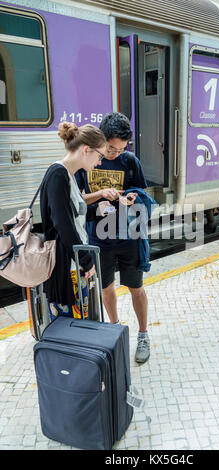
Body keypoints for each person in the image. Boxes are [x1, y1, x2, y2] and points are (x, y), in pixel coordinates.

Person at [75, 112, 150, 364]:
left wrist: (130, 199)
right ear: (100, 140)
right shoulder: (87, 162)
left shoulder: (130, 161)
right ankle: (115, 330)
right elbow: (76, 199)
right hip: (99, 237)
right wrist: (100, 196)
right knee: (106, 287)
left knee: (136, 287)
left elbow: (141, 193)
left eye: (120, 149)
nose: (114, 154)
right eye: (110, 148)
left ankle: (143, 334)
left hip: (129, 235)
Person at [40, 121, 110, 320]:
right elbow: (63, 226)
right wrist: (87, 262)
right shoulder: (58, 175)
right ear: (87, 150)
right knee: (70, 329)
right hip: (66, 268)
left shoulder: (68, 175)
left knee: (79, 325)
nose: (99, 162)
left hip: (74, 265)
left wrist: (97, 210)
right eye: (100, 155)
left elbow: (70, 216)